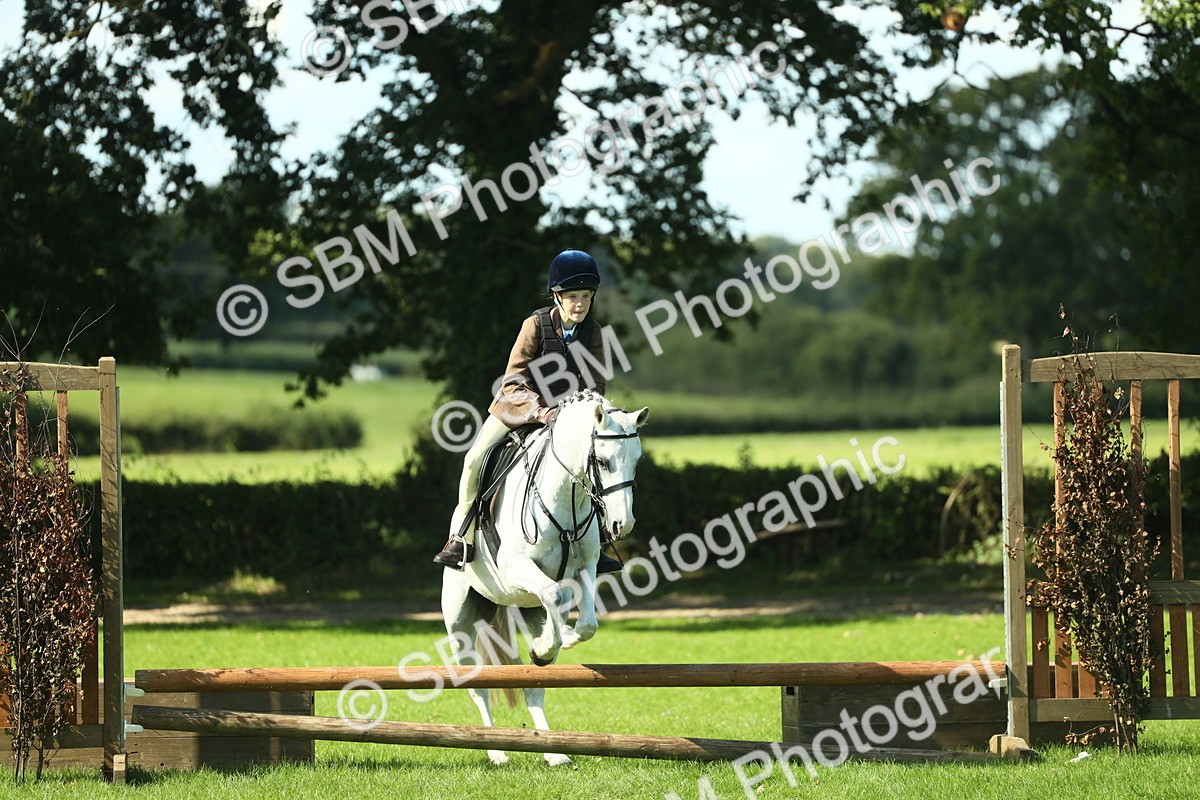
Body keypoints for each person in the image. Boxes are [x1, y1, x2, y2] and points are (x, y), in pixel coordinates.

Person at [434, 249, 624, 574]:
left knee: (595, 463)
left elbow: (595, 386)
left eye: (586, 296)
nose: (580, 304)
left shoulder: (593, 332)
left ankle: (598, 542)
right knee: (473, 459)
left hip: (563, 419)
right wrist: (541, 412)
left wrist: (586, 416)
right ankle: (461, 538)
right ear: (557, 296)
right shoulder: (534, 325)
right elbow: (513, 380)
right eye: (573, 296)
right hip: (516, 409)